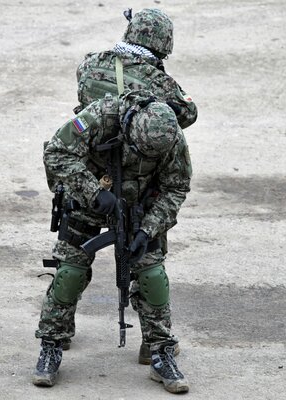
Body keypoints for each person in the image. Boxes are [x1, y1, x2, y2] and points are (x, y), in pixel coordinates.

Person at [32, 90, 192, 394]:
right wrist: (93, 192)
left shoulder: (171, 138)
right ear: (131, 126)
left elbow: (176, 188)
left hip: (139, 210)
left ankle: (160, 350)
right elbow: (56, 152)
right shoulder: (102, 115)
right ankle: (52, 344)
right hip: (87, 201)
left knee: (152, 276)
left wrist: (148, 229)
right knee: (70, 272)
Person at [74, 7, 197, 364]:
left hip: (92, 178)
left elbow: (82, 102)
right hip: (140, 183)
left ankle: (57, 333)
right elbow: (186, 114)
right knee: (149, 264)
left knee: (72, 258)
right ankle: (155, 345)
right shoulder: (158, 82)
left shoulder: (90, 64)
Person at [76, 8, 197, 130]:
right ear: (164, 44)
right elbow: (189, 114)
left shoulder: (90, 62)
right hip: (130, 147)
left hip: (88, 142)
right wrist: (162, 73)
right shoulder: (157, 81)